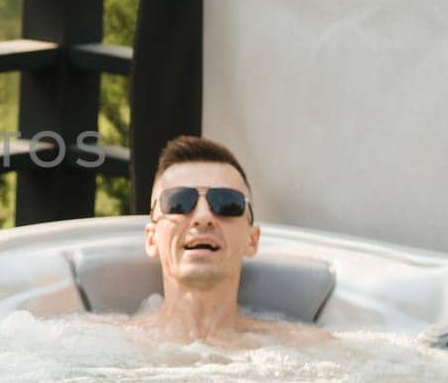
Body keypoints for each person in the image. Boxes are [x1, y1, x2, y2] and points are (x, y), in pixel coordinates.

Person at [137, 134, 325, 347]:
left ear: (252, 240)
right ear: (152, 239)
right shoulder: (104, 338)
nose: (203, 218)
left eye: (226, 203)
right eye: (179, 201)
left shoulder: (306, 346)